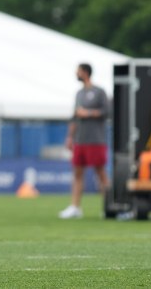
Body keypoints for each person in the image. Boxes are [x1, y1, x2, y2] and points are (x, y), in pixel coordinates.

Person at [59, 63, 110, 219]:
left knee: (100, 173)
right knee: (77, 173)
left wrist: (87, 113)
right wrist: (70, 137)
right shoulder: (79, 93)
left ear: (85, 73)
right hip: (80, 140)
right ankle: (75, 207)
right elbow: (74, 117)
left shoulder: (99, 92)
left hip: (95, 140)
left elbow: (107, 112)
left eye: (78, 71)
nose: (76, 73)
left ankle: (109, 206)